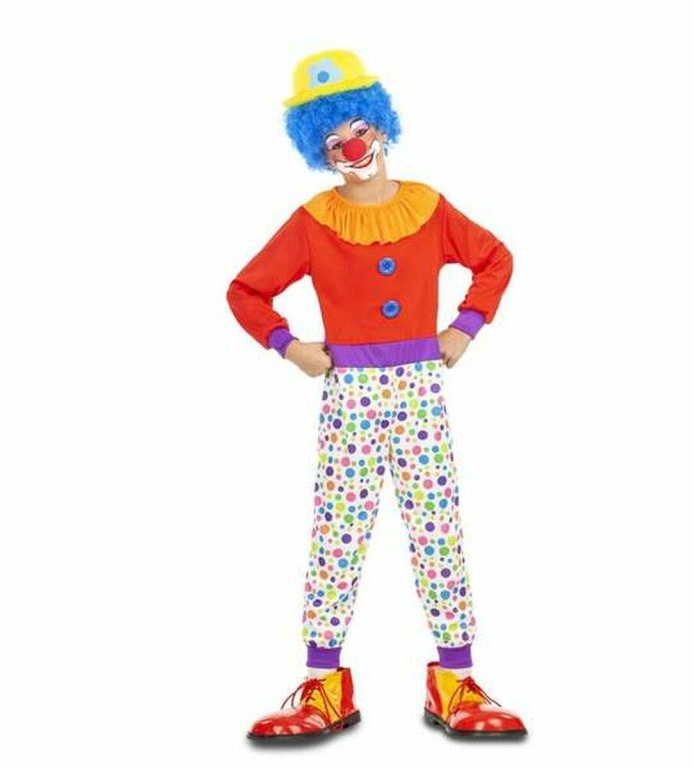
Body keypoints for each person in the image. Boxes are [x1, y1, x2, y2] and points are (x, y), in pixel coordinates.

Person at [228, 49, 526, 741]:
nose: (352, 147)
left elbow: (494, 258)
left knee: (437, 526)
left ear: (382, 126)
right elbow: (245, 290)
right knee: (338, 530)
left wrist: (466, 327)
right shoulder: (313, 222)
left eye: (359, 129)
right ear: (320, 151)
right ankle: (323, 683)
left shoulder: (429, 208)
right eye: (335, 141)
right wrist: (289, 346)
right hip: (351, 396)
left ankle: (455, 680)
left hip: (419, 388)